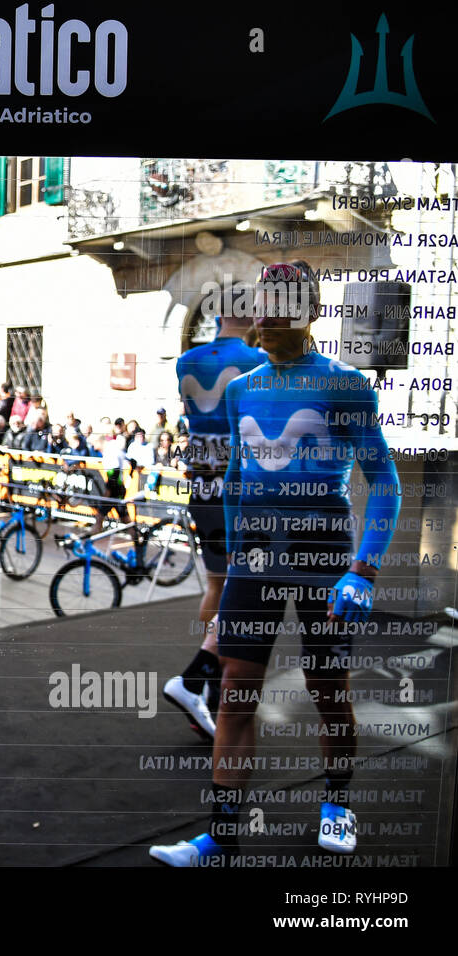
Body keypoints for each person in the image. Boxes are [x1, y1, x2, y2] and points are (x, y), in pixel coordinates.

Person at [151, 261, 400, 865]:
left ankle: (337, 806)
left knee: (328, 689)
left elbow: (385, 482)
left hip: (325, 555)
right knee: (235, 690)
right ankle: (222, 837)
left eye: (283, 302)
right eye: (263, 301)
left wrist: (362, 570)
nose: (268, 314)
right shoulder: (241, 389)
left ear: (311, 311)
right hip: (257, 558)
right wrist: (237, 558)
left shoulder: (345, 385)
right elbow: (236, 480)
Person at [160, 295, 267, 739]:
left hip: (200, 485)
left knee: (217, 583)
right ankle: (204, 676)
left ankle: (206, 680)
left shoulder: (186, 359)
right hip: (236, 488)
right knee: (244, 587)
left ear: (218, 316)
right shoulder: (256, 360)